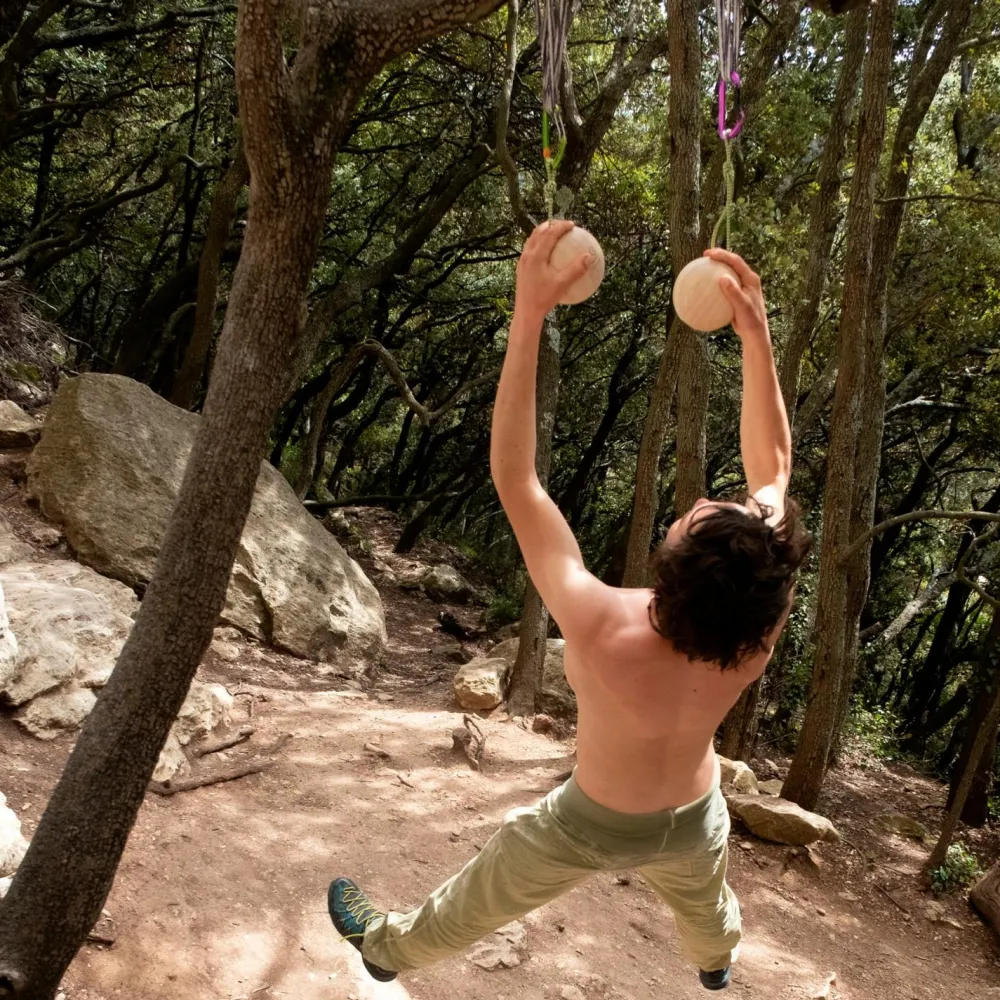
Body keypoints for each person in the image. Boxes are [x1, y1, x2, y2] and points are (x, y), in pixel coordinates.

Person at [328, 222, 811, 992]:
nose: (700, 499)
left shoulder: (601, 620)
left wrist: (528, 315)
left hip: (587, 823)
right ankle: (716, 962)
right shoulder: (757, 623)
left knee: (475, 899)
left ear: (671, 566)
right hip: (692, 817)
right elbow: (775, 466)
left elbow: (517, 479)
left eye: (694, 513)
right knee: (707, 904)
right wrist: (756, 337)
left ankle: (385, 948)